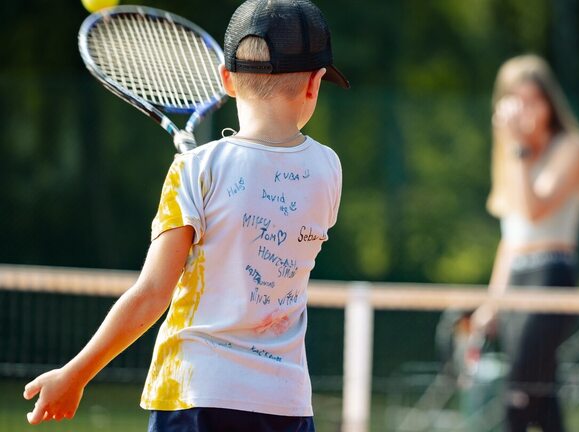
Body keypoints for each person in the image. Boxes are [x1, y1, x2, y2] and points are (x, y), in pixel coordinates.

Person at [22, 1, 348, 430]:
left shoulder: (195, 170)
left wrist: (75, 373)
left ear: (226, 80)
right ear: (314, 84)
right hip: (285, 405)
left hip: (195, 395)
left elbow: (153, 292)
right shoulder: (328, 169)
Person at [471, 54, 579, 432]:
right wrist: (492, 302)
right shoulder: (510, 154)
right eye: (517, 101)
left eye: (534, 100)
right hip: (518, 280)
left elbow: (534, 209)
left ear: (550, 102)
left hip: (551, 274)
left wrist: (519, 149)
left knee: (520, 393)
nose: (525, 111)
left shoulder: (571, 146)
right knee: (542, 396)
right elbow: (511, 238)